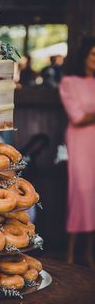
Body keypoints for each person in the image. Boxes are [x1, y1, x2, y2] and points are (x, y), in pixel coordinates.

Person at [59, 37, 95, 268]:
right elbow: (78, 118)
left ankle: (90, 254)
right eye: (93, 54)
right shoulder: (69, 82)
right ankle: (70, 255)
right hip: (80, 142)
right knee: (80, 192)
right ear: (84, 56)